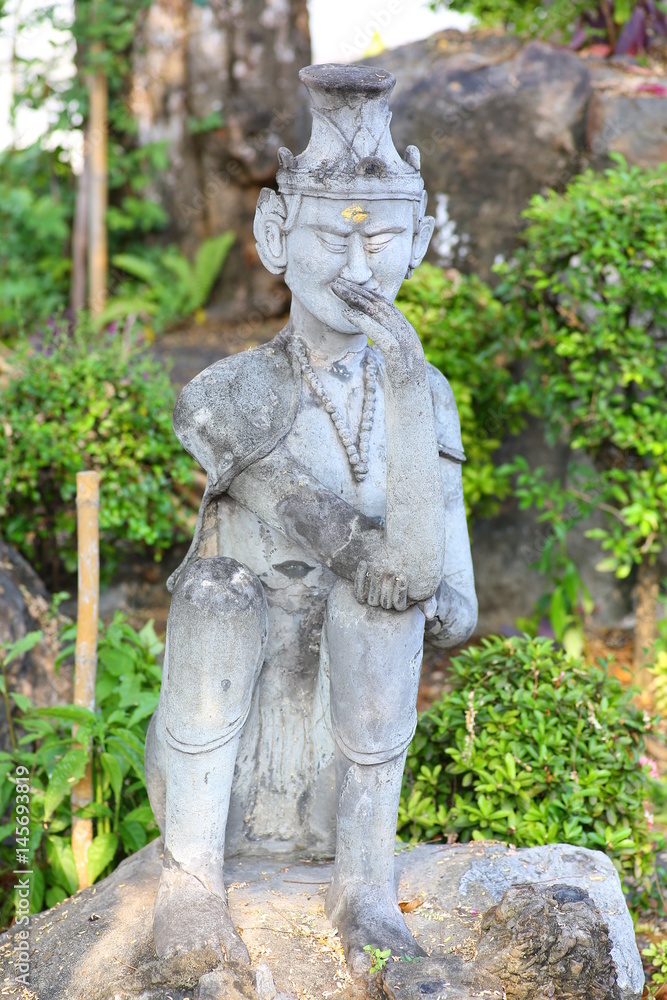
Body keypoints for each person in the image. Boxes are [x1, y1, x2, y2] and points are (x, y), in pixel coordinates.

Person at [145, 63, 477, 977]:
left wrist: (409, 390)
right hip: (229, 750)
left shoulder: (427, 397)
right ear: (276, 236)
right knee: (214, 590)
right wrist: (386, 564)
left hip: (346, 749)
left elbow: (450, 605)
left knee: (377, 608)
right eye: (332, 238)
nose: (359, 267)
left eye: (384, 240)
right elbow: (322, 526)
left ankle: (364, 888)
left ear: (416, 245)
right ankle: (189, 884)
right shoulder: (227, 393)